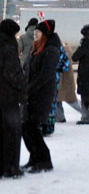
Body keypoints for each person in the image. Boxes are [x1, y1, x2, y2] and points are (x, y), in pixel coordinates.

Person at [21, 19, 60, 173]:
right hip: (32, 92)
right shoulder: (37, 48)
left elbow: (45, 75)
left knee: (32, 126)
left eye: (38, 32)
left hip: (42, 94)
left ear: (45, 34)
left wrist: (30, 89)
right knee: (26, 126)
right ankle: (34, 157)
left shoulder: (51, 50)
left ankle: (44, 159)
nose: (35, 34)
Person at [0, 19, 26, 178]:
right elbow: (12, 73)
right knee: (12, 132)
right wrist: (22, 87)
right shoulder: (8, 48)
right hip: (9, 96)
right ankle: (11, 168)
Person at [55, 42, 82, 122]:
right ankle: (60, 117)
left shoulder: (61, 54)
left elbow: (61, 69)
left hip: (63, 83)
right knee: (58, 100)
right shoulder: (65, 52)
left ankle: (87, 112)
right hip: (64, 83)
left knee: (71, 100)